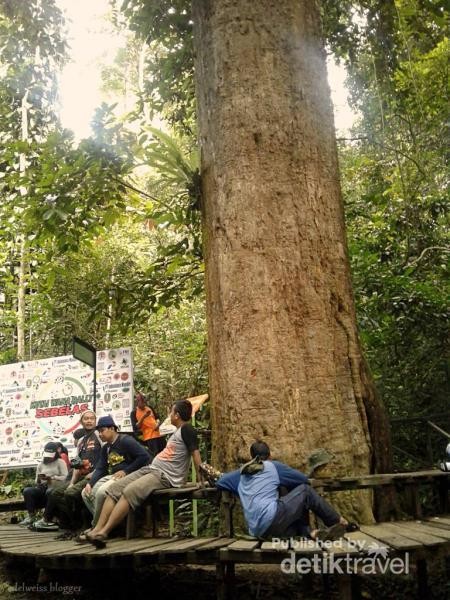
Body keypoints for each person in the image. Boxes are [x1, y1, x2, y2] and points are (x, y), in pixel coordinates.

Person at [82, 399, 204, 547]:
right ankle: (97, 529)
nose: (169, 415)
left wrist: (200, 479)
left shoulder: (187, 429)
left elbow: (195, 454)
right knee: (113, 489)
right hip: (151, 470)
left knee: (129, 491)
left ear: (177, 415)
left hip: (164, 476)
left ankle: (104, 532)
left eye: (171, 412)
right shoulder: (177, 432)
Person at [213, 441, 352, 541]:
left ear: (252, 457)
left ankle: (312, 533)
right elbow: (302, 479)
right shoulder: (273, 466)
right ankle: (339, 522)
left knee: (286, 496)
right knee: (305, 491)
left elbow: (220, 481)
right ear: (270, 455)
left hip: (258, 531)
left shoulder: (241, 473)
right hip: (272, 519)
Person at [31, 410, 103, 533]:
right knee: (55, 493)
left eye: (92, 418)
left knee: (70, 494)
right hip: (81, 476)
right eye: (86, 418)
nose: (89, 421)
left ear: (95, 421)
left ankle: (83, 524)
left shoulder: (99, 435)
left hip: (96, 475)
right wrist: (71, 482)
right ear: (81, 421)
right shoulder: (80, 441)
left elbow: (106, 456)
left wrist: (96, 472)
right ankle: (73, 522)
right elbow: (77, 464)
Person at [80, 415, 150, 532]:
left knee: (102, 492)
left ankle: (96, 527)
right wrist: (90, 484)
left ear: (112, 429)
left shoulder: (126, 441)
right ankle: (110, 524)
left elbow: (144, 457)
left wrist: (126, 470)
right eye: (99, 432)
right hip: (114, 476)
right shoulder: (106, 448)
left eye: (102, 431)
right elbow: (101, 468)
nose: (100, 434)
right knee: (86, 493)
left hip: (130, 475)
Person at [19, 442, 68, 527]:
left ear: (55, 454)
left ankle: (46, 518)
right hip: (43, 487)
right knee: (27, 491)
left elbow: (65, 477)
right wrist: (39, 478)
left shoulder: (60, 462)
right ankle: (31, 516)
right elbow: (36, 482)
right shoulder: (41, 464)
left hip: (55, 488)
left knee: (50, 491)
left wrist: (52, 477)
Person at [130, 392, 166, 460]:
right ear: (137, 402)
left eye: (145, 402)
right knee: (155, 456)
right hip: (150, 437)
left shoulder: (149, 408)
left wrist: (158, 423)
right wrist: (144, 417)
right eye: (142, 402)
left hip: (159, 434)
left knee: (164, 453)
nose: (144, 404)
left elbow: (157, 418)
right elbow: (136, 427)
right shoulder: (134, 413)